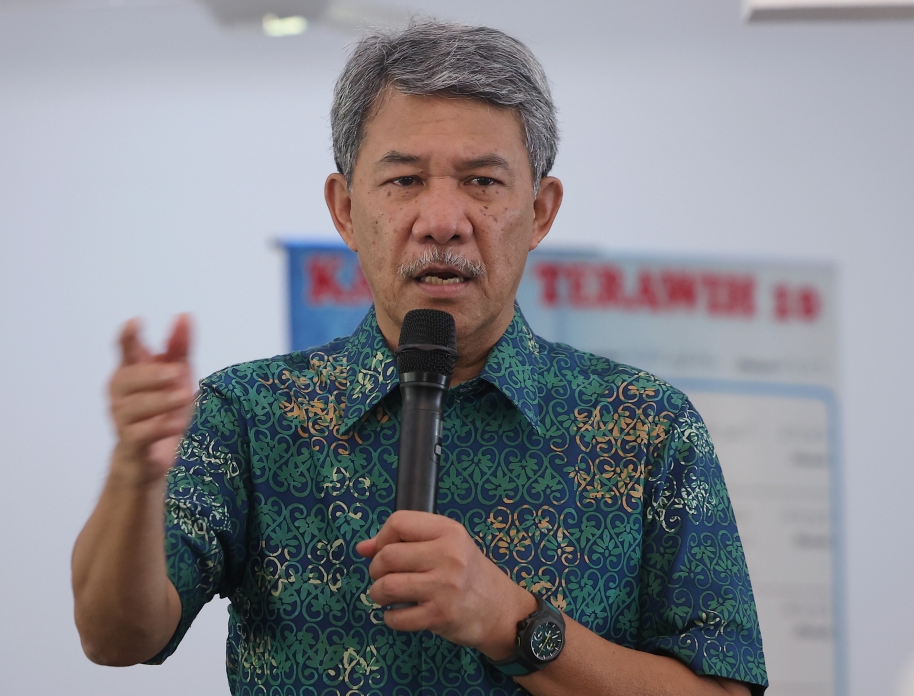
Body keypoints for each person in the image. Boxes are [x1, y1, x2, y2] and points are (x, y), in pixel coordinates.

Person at [72, 20, 768, 696]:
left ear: (541, 211)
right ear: (345, 209)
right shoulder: (248, 417)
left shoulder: (646, 427)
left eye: (483, 183)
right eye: (404, 181)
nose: (442, 220)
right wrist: (134, 475)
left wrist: (511, 622)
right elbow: (117, 637)